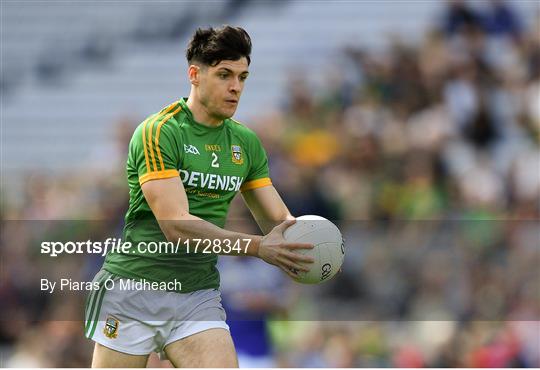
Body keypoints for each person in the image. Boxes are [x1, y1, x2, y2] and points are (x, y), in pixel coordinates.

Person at [84, 25, 314, 368]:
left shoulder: (245, 143)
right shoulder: (159, 132)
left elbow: (279, 223)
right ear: (195, 74)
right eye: (224, 74)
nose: (236, 87)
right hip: (134, 287)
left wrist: (313, 247)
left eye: (243, 77)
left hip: (196, 293)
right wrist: (257, 247)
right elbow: (175, 227)